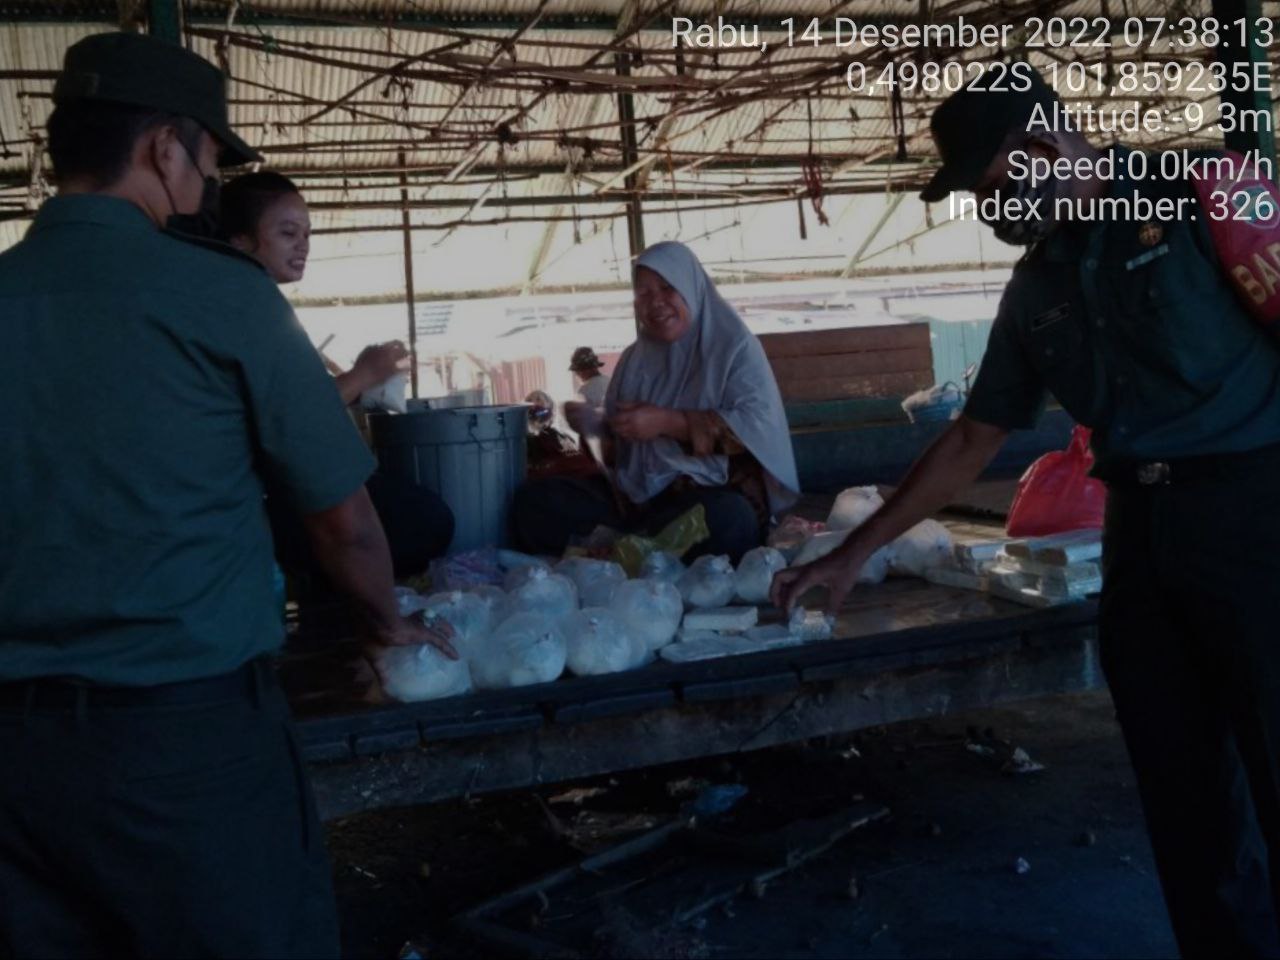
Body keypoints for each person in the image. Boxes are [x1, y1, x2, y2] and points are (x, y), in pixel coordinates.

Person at [774, 67, 1280, 958]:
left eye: (996, 182)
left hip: (1254, 513)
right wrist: (850, 554)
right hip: (1140, 540)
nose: (990, 204)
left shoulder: (1208, 194)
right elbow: (972, 439)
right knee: (1182, 791)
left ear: (1046, 147)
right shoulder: (1038, 287)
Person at [0, 31, 453, 958]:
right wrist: (386, 622)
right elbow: (343, 520)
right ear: (165, 147)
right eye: (208, 159)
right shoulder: (223, 296)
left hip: (15, 762)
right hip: (185, 746)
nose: (208, 185)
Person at [220, 170, 455, 574]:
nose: (303, 246)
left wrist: (364, 385)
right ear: (239, 240)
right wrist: (364, 374)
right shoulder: (244, 303)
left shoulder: (245, 297)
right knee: (423, 520)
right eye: (288, 233)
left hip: (260, 490)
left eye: (308, 235)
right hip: (251, 501)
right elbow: (290, 416)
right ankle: (367, 618)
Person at [514, 241, 799, 562]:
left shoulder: (734, 349)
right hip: (636, 506)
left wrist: (668, 422)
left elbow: (754, 435)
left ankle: (624, 550)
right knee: (535, 501)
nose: (656, 303)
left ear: (690, 287)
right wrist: (597, 427)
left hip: (705, 497)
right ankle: (640, 549)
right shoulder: (635, 360)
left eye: (667, 288)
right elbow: (619, 458)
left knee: (731, 519)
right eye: (644, 294)